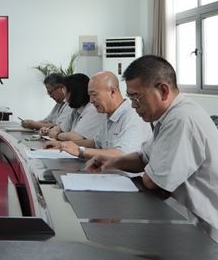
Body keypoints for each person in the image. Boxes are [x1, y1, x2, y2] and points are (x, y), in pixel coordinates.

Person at [86, 55, 218, 236]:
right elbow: (143, 158)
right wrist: (111, 162)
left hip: (207, 230)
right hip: (187, 219)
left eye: (137, 97)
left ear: (163, 90)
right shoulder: (168, 116)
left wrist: (145, 171)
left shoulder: (181, 119)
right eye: (130, 98)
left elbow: (154, 183)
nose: (133, 106)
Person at [45, 71, 152, 159]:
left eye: (94, 95)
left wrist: (80, 150)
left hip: (127, 177)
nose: (91, 101)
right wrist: (64, 145)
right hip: (107, 172)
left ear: (112, 92)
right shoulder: (108, 115)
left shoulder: (132, 116)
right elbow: (95, 143)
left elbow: (122, 154)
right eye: (89, 95)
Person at [41, 73, 105, 141]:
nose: (64, 95)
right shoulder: (75, 110)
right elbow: (60, 128)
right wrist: (49, 131)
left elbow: (76, 137)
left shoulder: (92, 109)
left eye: (64, 90)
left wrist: (57, 135)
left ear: (73, 92)